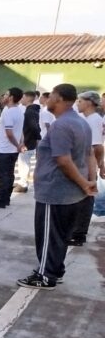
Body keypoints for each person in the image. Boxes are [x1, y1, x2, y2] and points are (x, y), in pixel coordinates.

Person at [18, 84, 97, 290]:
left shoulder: (61, 125)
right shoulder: (81, 123)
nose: (47, 99)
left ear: (60, 99)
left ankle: (45, 275)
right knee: (60, 235)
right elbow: (89, 154)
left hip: (56, 191)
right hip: (71, 193)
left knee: (48, 235)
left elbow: (63, 160)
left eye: (51, 95)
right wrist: (89, 181)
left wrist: (85, 183)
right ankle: (55, 269)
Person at [66, 90, 105, 246]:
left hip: (87, 166)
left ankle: (79, 233)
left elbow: (96, 147)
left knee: (85, 199)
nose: (78, 104)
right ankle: (75, 230)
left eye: (80, 101)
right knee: (78, 198)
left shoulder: (94, 120)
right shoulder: (85, 118)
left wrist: (95, 169)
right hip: (81, 164)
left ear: (89, 102)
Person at [0, 87, 23, 208]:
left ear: (11, 97)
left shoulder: (9, 112)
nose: (3, 96)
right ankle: (5, 198)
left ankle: (1, 200)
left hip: (5, 149)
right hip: (10, 149)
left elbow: (9, 133)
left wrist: (18, 145)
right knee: (8, 174)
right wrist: (19, 143)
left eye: (6, 94)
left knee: (2, 176)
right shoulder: (18, 111)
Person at [14, 91, 42, 194]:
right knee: (24, 162)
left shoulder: (30, 112)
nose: (21, 99)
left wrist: (28, 140)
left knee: (23, 163)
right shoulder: (33, 110)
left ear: (27, 98)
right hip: (29, 141)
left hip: (27, 142)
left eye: (23, 97)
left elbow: (34, 127)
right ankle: (22, 182)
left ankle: (23, 184)